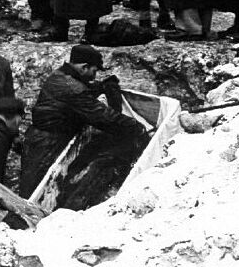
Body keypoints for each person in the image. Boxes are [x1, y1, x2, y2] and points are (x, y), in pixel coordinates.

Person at [19, 45, 148, 198]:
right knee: (37, 189)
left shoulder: (60, 75)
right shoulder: (73, 88)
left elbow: (82, 91)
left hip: (42, 136)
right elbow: (102, 117)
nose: (94, 76)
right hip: (47, 142)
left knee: (37, 184)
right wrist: (135, 126)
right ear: (84, 67)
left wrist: (101, 87)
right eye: (94, 71)